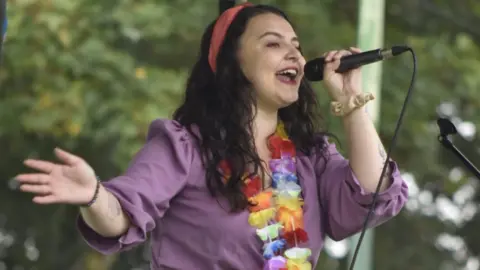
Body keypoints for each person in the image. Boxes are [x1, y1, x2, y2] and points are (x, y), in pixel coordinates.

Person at [15, 3, 409, 269]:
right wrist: (94, 195)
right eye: (273, 44)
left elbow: (373, 192)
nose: (295, 55)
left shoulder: (310, 157)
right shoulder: (185, 148)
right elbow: (120, 216)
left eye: (297, 46)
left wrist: (351, 101)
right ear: (231, 62)